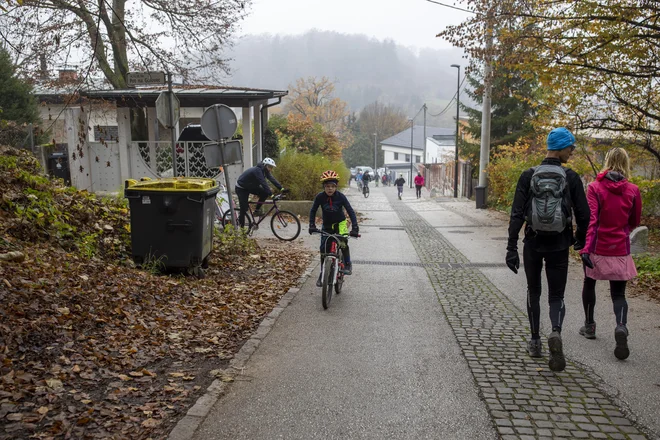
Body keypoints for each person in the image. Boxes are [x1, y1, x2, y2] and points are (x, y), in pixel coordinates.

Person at [506, 127, 590, 372]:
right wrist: (579, 239)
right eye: (570, 147)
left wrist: (511, 247)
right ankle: (555, 331)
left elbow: (517, 214)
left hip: (532, 242)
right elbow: (584, 214)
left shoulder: (528, 175)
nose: (572, 152)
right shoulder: (571, 177)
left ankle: (534, 341)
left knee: (534, 290)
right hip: (559, 244)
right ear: (561, 147)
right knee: (556, 294)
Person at [578, 148, 642, 361]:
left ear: (607, 161)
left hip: (597, 246)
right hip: (620, 248)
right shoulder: (633, 190)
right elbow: (635, 220)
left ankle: (589, 326)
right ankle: (621, 326)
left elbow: (592, 219)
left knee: (589, 283)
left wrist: (586, 247)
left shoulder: (594, 188)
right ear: (626, 163)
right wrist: (623, 230)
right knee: (619, 294)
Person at [308, 170, 359, 287]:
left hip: (340, 223)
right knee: (323, 249)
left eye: (332, 186)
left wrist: (355, 227)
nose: (330, 189)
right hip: (327, 225)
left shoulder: (341, 197)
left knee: (342, 243)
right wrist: (312, 225)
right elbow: (313, 211)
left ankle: (347, 263)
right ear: (324, 187)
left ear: (336, 187)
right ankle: (323, 272)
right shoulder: (320, 197)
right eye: (327, 186)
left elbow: (350, 211)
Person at [235, 158, 284, 228]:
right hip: (241, 188)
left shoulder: (265, 170)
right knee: (244, 208)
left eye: (271, 167)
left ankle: (256, 211)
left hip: (250, 186)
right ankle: (242, 229)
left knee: (264, 193)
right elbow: (263, 183)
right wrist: (272, 195)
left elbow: (272, 179)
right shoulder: (257, 170)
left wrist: (281, 188)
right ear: (265, 165)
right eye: (270, 167)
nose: (271, 169)